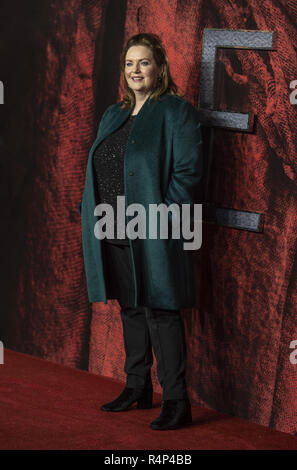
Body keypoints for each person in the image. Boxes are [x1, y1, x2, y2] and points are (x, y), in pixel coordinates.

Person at [79, 33, 203, 430]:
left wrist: (165, 218)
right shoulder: (114, 114)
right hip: (114, 224)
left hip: (154, 228)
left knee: (161, 309)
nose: (135, 70)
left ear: (159, 68)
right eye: (130, 63)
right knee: (130, 307)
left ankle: (176, 399)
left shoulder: (176, 112)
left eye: (144, 62)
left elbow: (187, 173)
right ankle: (137, 386)